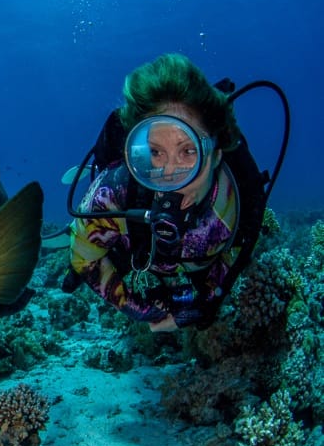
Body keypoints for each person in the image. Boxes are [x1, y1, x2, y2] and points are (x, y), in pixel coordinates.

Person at [64, 53, 270, 332]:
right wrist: (139, 310)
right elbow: (84, 256)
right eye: (155, 152)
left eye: (188, 151)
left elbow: (232, 260)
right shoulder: (111, 195)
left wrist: (199, 309)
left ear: (216, 155)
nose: (170, 174)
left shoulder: (235, 206)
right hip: (134, 254)